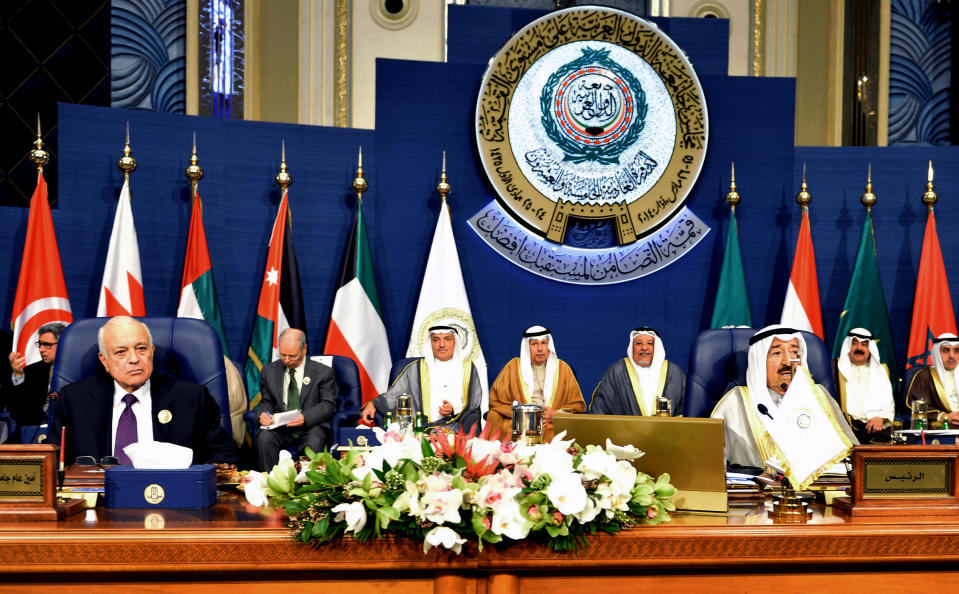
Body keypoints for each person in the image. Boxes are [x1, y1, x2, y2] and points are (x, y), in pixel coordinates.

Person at [51, 316, 238, 465]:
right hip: (97, 501)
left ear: (152, 352)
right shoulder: (74, 400)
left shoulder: (192, 398)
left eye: (141, 348)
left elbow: (223, 456)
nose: (133, 359)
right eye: (120, 352)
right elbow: (51, 457)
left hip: (172, 501)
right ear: (104, 360)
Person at [711, 326, 857, 485]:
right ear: (759, 362)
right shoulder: (735, 403)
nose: (788, 362)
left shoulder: (820, 397)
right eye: (777, 353)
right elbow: (710, 468)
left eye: (795, 353)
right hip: (756, 502)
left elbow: (856, 458)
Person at [361, 326, 482, 434]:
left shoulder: (468, 368)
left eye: (447, 339)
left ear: (455, 342)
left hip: (456, 425)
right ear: (430, 343)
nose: (441, 344)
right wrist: (375, 403)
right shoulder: (416, 368)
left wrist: (453, 409)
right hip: (420, 427)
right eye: (436, 340)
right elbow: (395, 395)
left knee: (472, 418)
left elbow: (474, 402)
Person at [256, 328, 338, 470]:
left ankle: (311, 487)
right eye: (282, 355)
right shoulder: (269, 371)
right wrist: (264, 415)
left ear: (304, 349)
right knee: (264, 438)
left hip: (311, 426)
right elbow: (267, 402)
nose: (286, 360)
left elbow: (328, 404)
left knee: (314, 442)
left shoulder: (323, 372)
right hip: (281, 427)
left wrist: (305, 417)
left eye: (292, 356)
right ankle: (272, 482)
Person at [487, 326, 586, 442]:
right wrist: (526, 414)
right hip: (519, 421)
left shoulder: (563, 368)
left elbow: (577, 407)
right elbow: (496, 402)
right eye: (534, 344)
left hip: (549, 423)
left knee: (555, 433)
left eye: (544, 343)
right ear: (527, 347)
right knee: (494, 417)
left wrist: (556, 415)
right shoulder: (513, 367)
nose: (540, 348)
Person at [589, 327, 686, 416]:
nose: (644, 348)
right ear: (632, 347)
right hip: (623, 433)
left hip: (666, 434)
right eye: (638, 343)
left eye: (649, 343)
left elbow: (686, 408)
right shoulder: (617, 371)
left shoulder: (674, 373)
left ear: (657, 348)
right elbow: (600, 407)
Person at [831, 328, 894, 442]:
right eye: (854, 343)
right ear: (848, 346)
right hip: (843, 428)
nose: (859, 348)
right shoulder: (836, 370)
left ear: (870, 349)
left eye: (864, 344)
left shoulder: (881, 371)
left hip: (874, 428)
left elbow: (889, 402)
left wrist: (881, 417)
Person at [7, 322, 65, 428]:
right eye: (40, 344)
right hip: (32, 432)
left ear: (63, 344)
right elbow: (16, 411)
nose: (41, 349)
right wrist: (18, 376)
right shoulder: (31, 371)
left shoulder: (77, 372)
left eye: (47, 345)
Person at [905, 333, 959, 427]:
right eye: (946, 350)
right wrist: (943, 416)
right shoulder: (924, 376)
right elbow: (912, 406)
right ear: (937, 353)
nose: (952, 356)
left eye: (956, 351)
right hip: (938, 428)